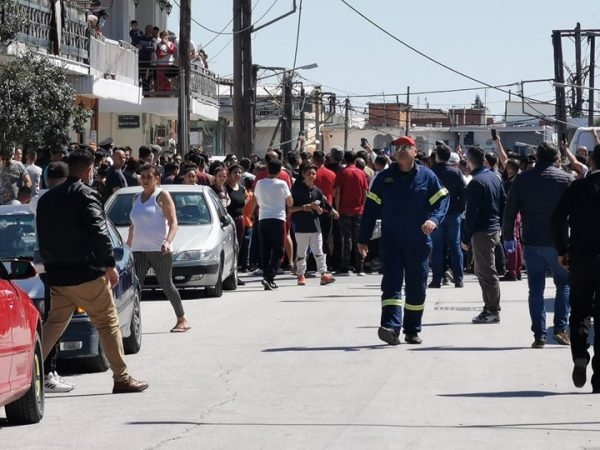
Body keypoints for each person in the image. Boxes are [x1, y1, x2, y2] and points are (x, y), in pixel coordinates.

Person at [36, 149, 148, 393]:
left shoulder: (47, 199)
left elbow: (42, 238)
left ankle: (24, 372)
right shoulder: (87, 194)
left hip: (57, 275)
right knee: (108, 323)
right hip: (86, 273)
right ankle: (122, 378)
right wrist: (109, 264)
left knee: (54, 324)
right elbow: (99, 231)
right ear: (88, 171)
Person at [358, 136, 449, 345]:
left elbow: (442, 200)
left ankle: (412, 329)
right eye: (397, 147)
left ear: (415, 152)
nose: (400, 151)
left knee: (417, 287)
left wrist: (434, 220)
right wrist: (362, 238)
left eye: (405, 147)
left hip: (418, 242)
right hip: (391, 242)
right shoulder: (384, 178)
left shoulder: (427, 176)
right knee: (391, 285)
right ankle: (391, 327)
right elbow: (370, 210)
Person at [504, 142, 571, 348]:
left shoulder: (523, 178)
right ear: (556, 157)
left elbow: (510, 210)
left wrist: (508, 237)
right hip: (560, 243)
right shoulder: (566, 179)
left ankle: (539, 336)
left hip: (532, 241)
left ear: (537, 157)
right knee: (563, 285)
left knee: (535, 289)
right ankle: (560, 329)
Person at [551, 144, 600, 393]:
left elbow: (557, 218)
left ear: (591, 162)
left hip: (581, 257)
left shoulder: (577, 187)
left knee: (580, 310)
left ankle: (580, 354)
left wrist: (562, 250)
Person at [126, 164, 190, 333]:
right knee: (135, 287)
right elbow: (133, 224)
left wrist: (168, 242)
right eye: (142, 176)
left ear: (156, 178)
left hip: (159, 249)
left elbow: (174, 223)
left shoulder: (162, 196)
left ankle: (182, 319)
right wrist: (128, 244)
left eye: (149, 176)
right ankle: (131, 324)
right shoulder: (136, 198)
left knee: (166, 284)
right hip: (139, 250)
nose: (145, 180)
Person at [462, 146, 506, 324]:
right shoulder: (494, 177)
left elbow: (471, 213)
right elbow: (503, 201)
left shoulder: (476, 182)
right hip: (492, 228)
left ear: (470, 161)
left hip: (482, 231)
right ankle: (490, 308)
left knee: (486, 272)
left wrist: (466, 237)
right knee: (485, 271)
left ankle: (492, 310)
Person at [290, 164, 336, 286]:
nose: (311, 176)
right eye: (309, 174)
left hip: (315, 226)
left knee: (319, 251)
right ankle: (300, 275)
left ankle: (323, 274)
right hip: (301, 226)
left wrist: (319, 209)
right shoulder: (296, 190)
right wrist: (303, 207)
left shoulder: (317, 191)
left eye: (313, 174)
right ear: (303, 175)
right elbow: (290, 209)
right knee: (302, 252)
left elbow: (322, 209)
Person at [429, 142, 467, 288]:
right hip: (453, 214)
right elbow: (464, 193)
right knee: (455, 246)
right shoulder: (456, 172)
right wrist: (460, 208)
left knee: (437, 248)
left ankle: (436, 279)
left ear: (436, 157)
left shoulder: (431, 172)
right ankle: (459, 279)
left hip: (436, 215)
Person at [254, 159, 293, 290]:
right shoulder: (282, 184)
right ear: (279, 171)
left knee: (265, 250)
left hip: (263, 218)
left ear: (267, 169)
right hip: (277, 219)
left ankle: (267, 276)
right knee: (279, 250)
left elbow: (256, 199)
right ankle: (269, 276)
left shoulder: (260, 183)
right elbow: (290, 202)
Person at [334, 151, 368, 276]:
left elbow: (338, 192)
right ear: (356, 160)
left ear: (345, 159)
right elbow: (365, 192)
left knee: (346, 239)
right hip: (359, 210)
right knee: (358, 238)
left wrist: (337, 209)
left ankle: (345, 266)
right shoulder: (361, 173)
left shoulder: (342, 173)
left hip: (345, 210)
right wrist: (364, 207)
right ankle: (360, 267)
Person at [225, 164, 247, 285]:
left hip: (240, 221)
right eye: (235, 172)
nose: (238, 175)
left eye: (239, 172)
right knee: (230, 247)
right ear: (229, 174)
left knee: (237, 247)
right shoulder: (225, 188)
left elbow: (246, 198)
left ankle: (235, 273)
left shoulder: (242, 188)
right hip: (229, 222)